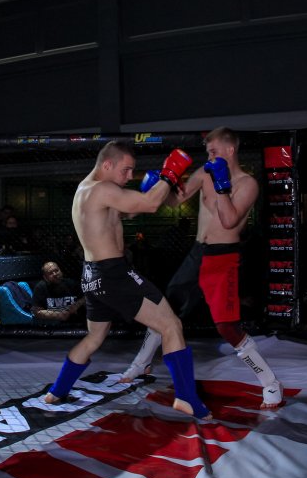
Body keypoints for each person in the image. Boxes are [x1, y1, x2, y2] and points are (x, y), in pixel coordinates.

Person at [43, 140, 211, 420]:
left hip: (92, 276)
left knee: (94, 337)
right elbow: (150, 205)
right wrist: (169, 174)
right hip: (114, 275)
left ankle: (57, 391)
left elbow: (131, 210)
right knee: (171, 325)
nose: (129, 176)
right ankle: (186, 397)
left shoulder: (86, 190)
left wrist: (156, 186)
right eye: (126, 170)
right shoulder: (102, 189)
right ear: (107, 164)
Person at [118, 128, 284, 410]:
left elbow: (229, 220)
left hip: (223, 257)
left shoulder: (247, 184)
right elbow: (175, 201)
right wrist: (163, 183)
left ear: (230, 150)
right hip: (197, 253)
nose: (209, 157)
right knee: (164, 309)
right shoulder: (204, 173)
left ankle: (270, 383)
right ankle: (140, 364)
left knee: (226, 327)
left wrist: (222, 185)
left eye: (214, 151)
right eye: (208, 152)